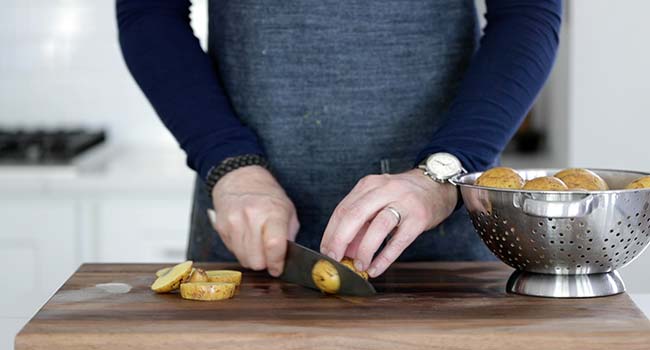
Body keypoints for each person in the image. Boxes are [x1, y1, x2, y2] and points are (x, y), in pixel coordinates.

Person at [117, 0, 562, 278]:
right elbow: (149, 11)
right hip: (245, 220)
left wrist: (444, 172)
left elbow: (527, 12)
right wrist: (229, 164)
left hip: (440, 230)